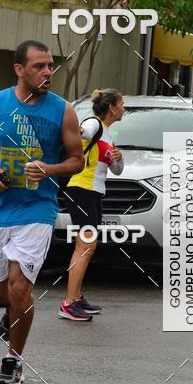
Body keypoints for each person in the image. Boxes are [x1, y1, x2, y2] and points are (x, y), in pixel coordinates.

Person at [0, 40, 84, 384]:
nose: (48, 72)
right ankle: (13, 313)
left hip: (37, 210)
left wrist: (49, 168)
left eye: (50, 66)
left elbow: (78, 160)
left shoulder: (63, 111)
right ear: (19, 69)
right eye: (39, 66)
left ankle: (13, 360)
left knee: (19, 288)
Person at [59, 88, 124, 321]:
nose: (124, 108)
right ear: (112, 108)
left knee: (88, 246)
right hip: (81, 190)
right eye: (121, 103)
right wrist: (78, 130)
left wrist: (119, 158)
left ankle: (76, 299)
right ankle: (68, 303)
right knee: (85, 246)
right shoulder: (94, 124)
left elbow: (116, 170)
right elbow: (81, 132)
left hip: (94, 193)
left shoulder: (107, 134)